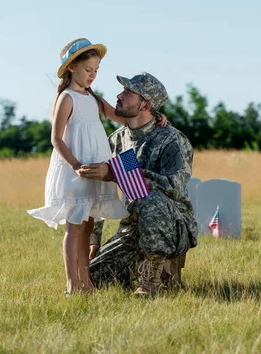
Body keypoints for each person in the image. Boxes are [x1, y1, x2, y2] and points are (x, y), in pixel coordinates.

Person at [26, 38, 168, 295]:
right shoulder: (67, 98)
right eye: (88, 70)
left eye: (96, 71)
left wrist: (155, 115)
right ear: (72, 67)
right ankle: (73, 284)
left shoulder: (92, 97)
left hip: (96, 166)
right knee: (75, 226)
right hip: (77, 168)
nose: (92, 75)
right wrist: (76, 165)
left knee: (88, 225)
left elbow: (121, 116)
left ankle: (86, 281)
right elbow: (56, 138)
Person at [78, 71, 198, 297]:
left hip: (172, 225)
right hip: (132, 226)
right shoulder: (117, 139)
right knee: (94, 277)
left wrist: (116, 171)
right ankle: (135, 271)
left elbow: (174, 186)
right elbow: (101, 189)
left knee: (149, 197)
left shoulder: (171, 139)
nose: (119, 96)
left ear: (145, 104)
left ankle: (151, 280)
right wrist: (94, 239)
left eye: (128, 92)